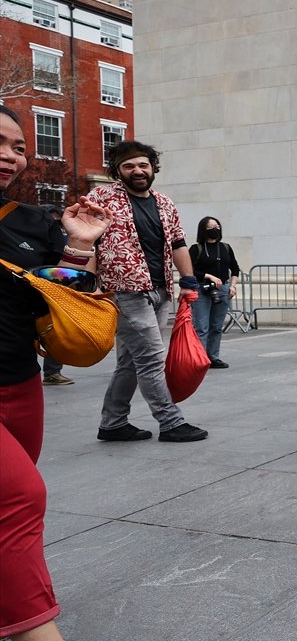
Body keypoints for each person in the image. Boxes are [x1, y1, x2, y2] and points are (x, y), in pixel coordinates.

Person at [0, 104, 143, 641]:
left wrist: (81, 247)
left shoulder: (32, 221)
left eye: (18, 145)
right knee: (14, 498)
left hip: (15, 382)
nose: (10, 154)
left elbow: (65, 295)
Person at [89, 140, 208, 443]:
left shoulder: (165, 202)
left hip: (161, 291)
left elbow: (178, 244)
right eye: (128, 166)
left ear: (153, 167)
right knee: (152, 358)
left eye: (143, 165)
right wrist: (87, 284)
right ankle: (170, 422)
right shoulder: (101, 197)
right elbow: (88, 241)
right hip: (124, 291)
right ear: (117, 171)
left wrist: (189, 281)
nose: (137, 171)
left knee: (131, 360)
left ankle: (113, 422)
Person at [188, 215, 239, 369]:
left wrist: (233, 286)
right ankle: (200, 358)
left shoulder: (225, 248)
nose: (215, 230)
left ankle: (213, 357)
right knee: (201, 326)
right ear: (204, 230)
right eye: (211, 227)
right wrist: (209, 276)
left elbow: (235, 268)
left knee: (216, 326)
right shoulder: (196, 249)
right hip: (202, 289)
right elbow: (190, 270)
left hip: (222, 290)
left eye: (217, 227)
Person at [39, 205, 73, 385]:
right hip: (44, 287)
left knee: (56, 329)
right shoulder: (38, 235)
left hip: (57, 287)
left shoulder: (61, 234)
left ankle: (52, 372)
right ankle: (50, 372)